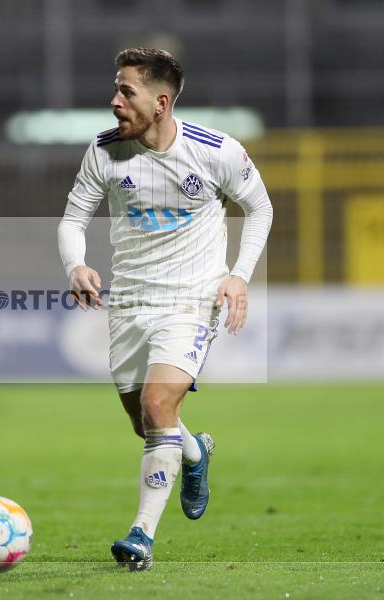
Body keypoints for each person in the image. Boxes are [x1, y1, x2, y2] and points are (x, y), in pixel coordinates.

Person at [58, 49, 273, 570]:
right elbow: (72, 219)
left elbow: (260, 207)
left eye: (125, 91)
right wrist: (76, 265)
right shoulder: (104, 151)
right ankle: (195, 450)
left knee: (158, 407)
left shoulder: (215, 152)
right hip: (129, 303)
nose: (114, 102)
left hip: (191, 301)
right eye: (115, 89)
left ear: (160, 102)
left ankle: (141, 536)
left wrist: (238, 276)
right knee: (148, 423)